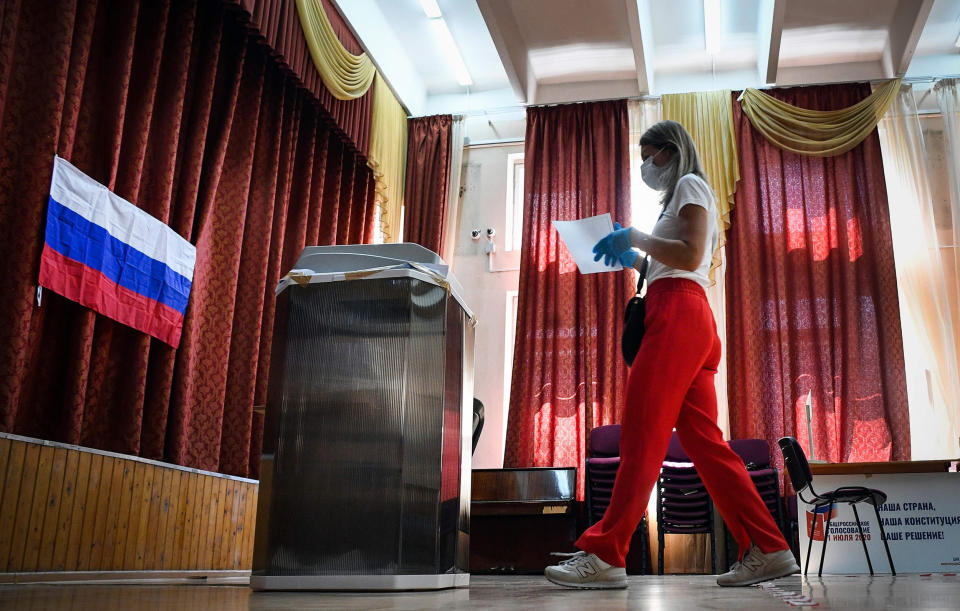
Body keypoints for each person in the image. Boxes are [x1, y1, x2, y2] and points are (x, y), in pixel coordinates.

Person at [544, 120, 799, 589]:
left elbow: (689, 253)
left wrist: (636, 237)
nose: (646, 164)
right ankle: (769, 546)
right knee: (706, 446)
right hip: (685, 313)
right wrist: (632, 258)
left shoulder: (690, 183)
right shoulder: (678, 197)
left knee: (641, 434)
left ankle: (605, 554)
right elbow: (671, 260)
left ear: (671, 150)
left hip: (678, 315)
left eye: (650, 153)